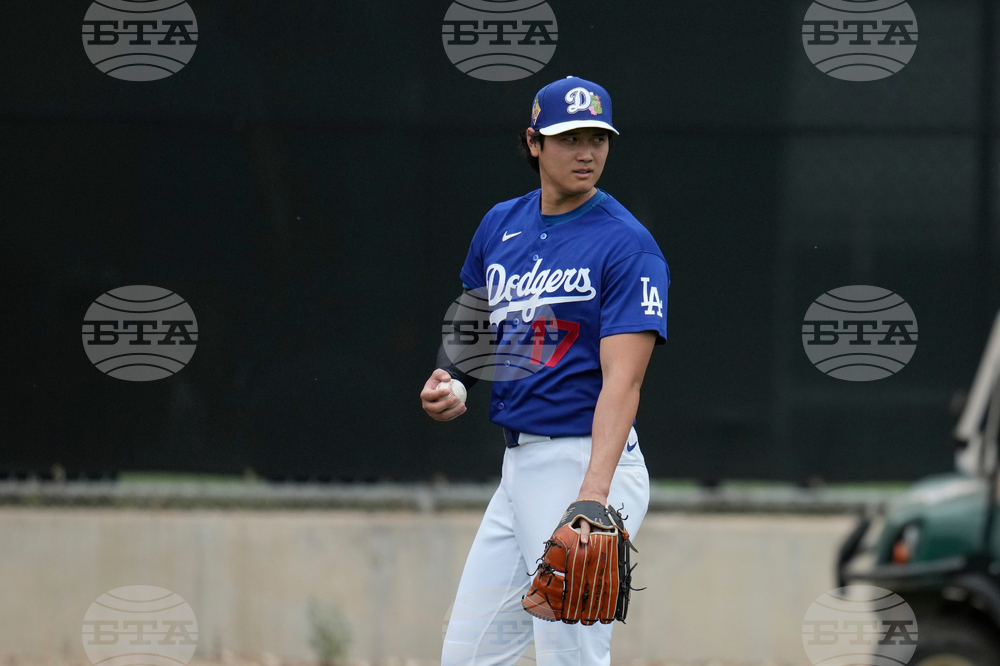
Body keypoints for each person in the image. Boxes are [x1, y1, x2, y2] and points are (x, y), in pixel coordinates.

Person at [420, 75, 670, 666]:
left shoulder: (627, 245)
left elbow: (624, 381)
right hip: (520, 470)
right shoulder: (499, 225)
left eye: (597, 138)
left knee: (571, 659)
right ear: (533, 142)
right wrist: (450, 378)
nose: (587, 152)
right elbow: (474, 325)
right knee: (468, 657)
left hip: (585, 464)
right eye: (569, 138)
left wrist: (593, 498)